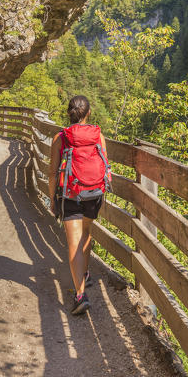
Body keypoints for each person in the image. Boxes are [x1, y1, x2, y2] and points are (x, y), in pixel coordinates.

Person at [49, 95, 108, 315]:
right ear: (88, 113)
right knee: (86, 232)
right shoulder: (98, 136)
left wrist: (53, 199)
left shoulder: (61, 137)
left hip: (70, 194)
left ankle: (80, 294)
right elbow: (105, 165)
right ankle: (85, 273)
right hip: (94, 193)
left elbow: (52, 173)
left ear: (69, 113)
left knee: (74, 241)